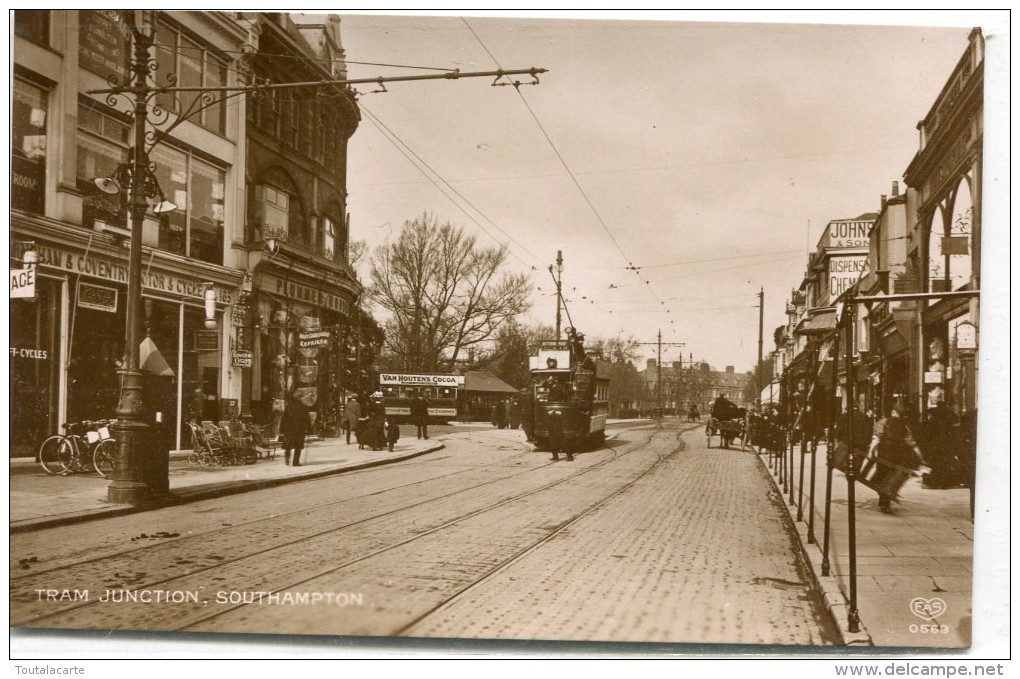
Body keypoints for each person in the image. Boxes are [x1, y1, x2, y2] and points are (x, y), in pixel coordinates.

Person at [867, 399, 927, 513]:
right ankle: (885, 501)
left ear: (893, 412)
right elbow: (912, 443)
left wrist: (871, 451)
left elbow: (876, 438)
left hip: (884, 455)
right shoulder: (905, 427)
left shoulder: (883, 422)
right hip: (898, 457)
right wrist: (921, 457)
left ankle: (883, 499)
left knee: (881, 475)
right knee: (891, 478)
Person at [921, 400, 961, 489]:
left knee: (935, 464)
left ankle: (934, 482)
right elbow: (955, 427)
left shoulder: (934, 418)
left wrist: (928, 444)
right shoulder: (950, 415)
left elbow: (928, 433)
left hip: (936, 445)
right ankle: (944, 484)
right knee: (945, 464)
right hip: (947, 445)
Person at [833, 404, 873, 475]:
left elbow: (839, 430)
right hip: (861, 443)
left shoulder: (844, 416)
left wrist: (838, 440)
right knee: (859, 459)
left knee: (844, 455)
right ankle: (856, 472)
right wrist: (867, 442)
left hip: (847, 442)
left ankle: (847, 468)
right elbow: (868, 431)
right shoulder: (865, 416)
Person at [280, 393, 310, 466]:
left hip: (289, 429)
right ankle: (295, 462)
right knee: (298, 446)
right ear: (299, 399)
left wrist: (281, 429)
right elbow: (307, 419)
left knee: (288, 444)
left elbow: (283, 418)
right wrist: (308, 428)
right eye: (302, 398)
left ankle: (287, 457)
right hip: (299, 429)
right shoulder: (303, 407)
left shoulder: (288, 407)